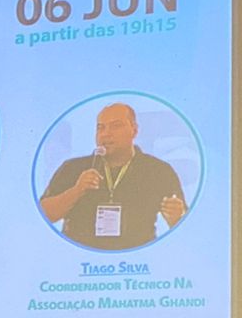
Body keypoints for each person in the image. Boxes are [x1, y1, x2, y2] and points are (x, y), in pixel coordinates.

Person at [39, 101, 189, 249]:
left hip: (137, 258)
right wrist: (77, 190)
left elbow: (185, 227)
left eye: (116, 126)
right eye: (101, 128)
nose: (106, 134)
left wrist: (176, 217)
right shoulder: (72, 168)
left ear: (134, 130)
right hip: (80, 257)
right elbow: (43, 215)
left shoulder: (158, 170)